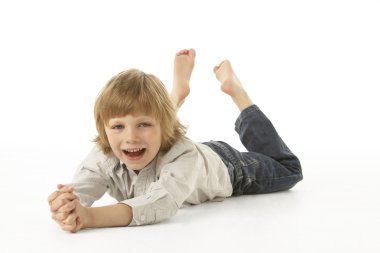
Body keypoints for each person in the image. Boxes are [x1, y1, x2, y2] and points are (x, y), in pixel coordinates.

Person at [48, 49, 303, 233]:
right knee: (151, 126)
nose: (130, 137)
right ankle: (177, 94)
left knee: (288, 168)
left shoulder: (184, 156)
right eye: (117, 126)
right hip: (179, 149)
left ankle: (237, 91)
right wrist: (68, 205)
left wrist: (90, 218)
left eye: (143, 124)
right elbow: (82, 186)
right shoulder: (105, 153)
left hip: (228, 167)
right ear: (104, 130)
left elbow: (160, 203)